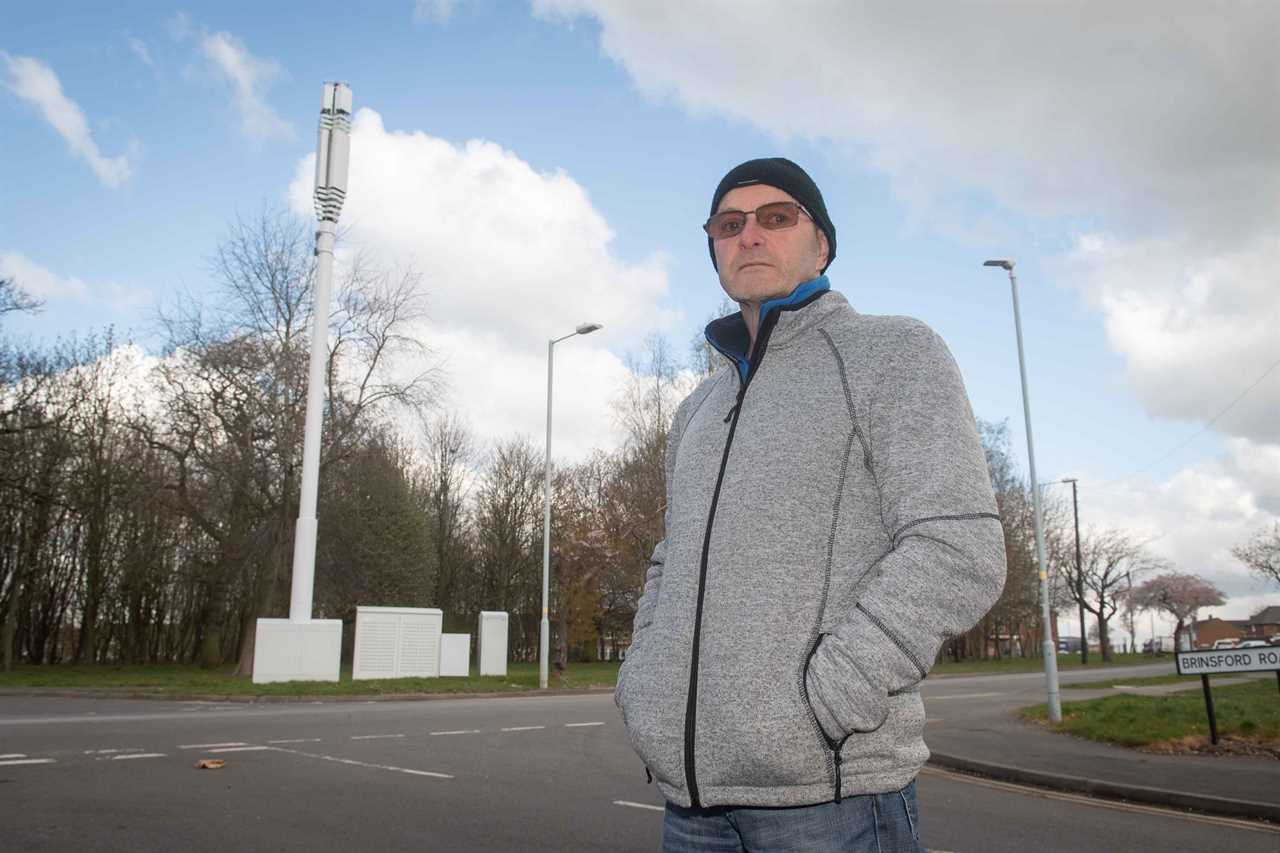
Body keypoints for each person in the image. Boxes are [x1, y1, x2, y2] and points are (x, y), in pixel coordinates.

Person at [614, 158, 1007, 852]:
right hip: (690, 808)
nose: (749, 236)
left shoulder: (890, 352)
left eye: (775, 217)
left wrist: (829, 696)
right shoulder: (698, 409)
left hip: (830, 800)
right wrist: (643, 681)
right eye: (728, 224)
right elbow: (668, 558)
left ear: (821, 243)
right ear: (712, 249)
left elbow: (959, 545)